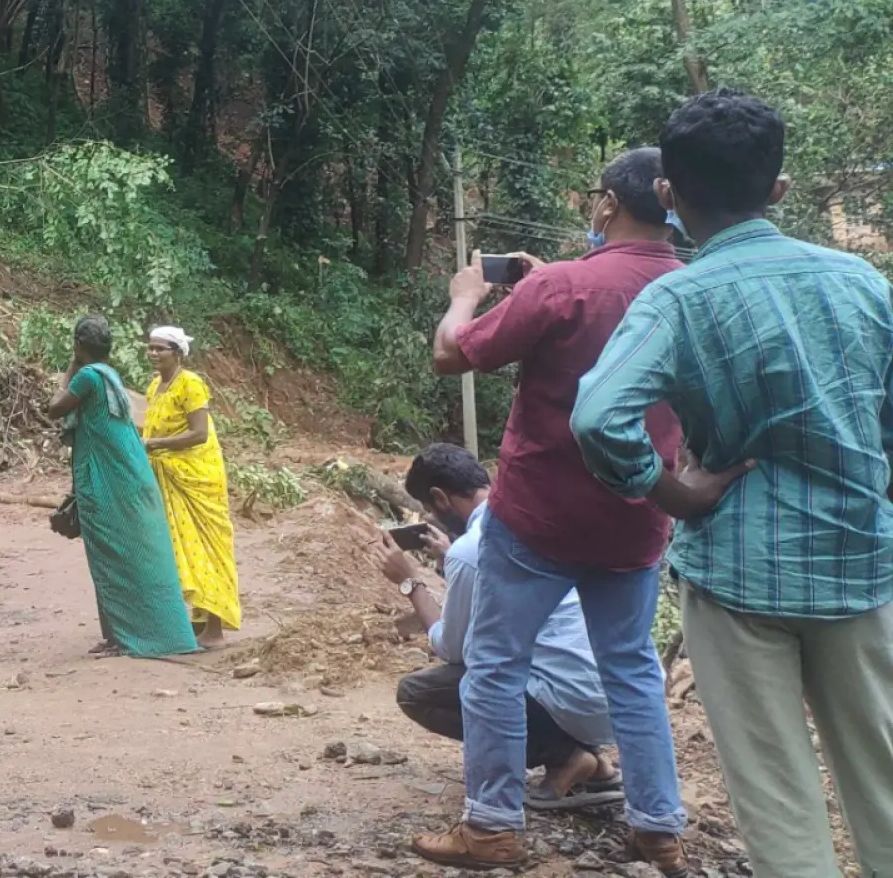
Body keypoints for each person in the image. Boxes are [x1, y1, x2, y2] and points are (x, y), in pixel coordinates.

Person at [574, 91, 893, 877]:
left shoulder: (677, 298)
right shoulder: (861, 282)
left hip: (738, 575)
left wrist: (675, 494)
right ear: (778, 189)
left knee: (777, 798)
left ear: (668, 197)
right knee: (884, 783)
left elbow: (595, 418)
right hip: (859, 565)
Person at [415, 147, 692, 873]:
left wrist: (466, 295)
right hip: (636, 515)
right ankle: (658, 827)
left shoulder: (563, 286)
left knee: (495, 667)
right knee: (630, 669)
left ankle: (491, 827)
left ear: (605, 205)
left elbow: (452, 355)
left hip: (537, 515)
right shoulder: (693, 292)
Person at [374, 445, 623, 812]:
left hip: (565, 697)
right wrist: (452, 554)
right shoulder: (536, 518)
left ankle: (567, 756)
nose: (432, 517)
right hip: (611, 697)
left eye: (429, 508)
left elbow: (450, 648)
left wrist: (410, 580)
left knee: (417, 692)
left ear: (440, 498)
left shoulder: (471, 549)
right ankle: (595, 763)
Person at [44, 317, 201, 659]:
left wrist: (72, 362)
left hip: (107, 480)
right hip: (125, 474)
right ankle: (120, 633)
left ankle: (126, 637)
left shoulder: (87, 375)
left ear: (79, 346)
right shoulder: (109, 374)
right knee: (120, 551)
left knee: (110, 552)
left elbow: (55, 408)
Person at [141, 326, 242, 645]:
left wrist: (155, 444)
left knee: (206, 548)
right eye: (151, 348)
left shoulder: (192, 384)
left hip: (197, 477)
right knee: (180, 549)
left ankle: (214, 628)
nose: (154, 354)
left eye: (161, 349)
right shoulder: (155, 386)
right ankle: (197, 624)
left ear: (178, 353)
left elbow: (199, 433)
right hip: (168, 475)